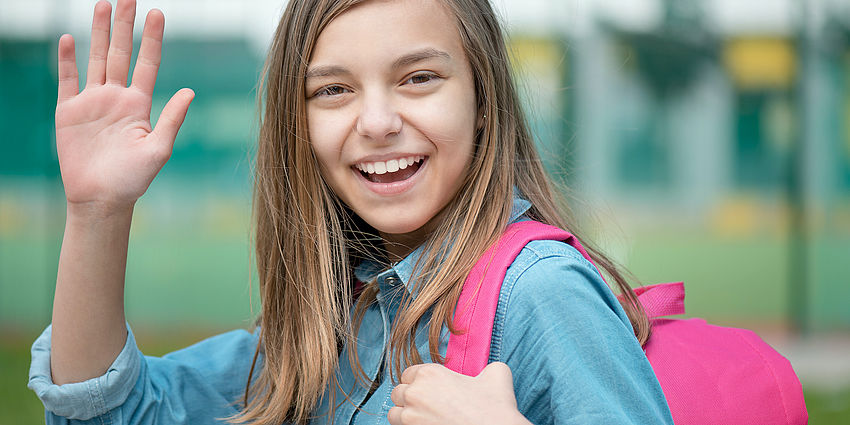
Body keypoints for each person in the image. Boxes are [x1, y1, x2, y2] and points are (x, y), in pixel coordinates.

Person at [28, 0, 674, 423]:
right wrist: (97, 214)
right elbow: (111, 412)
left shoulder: (542, 291)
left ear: (483, 100)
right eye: (334, 89)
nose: (377, 121)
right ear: (298, 123)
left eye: (419, 77)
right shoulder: (332, 325)